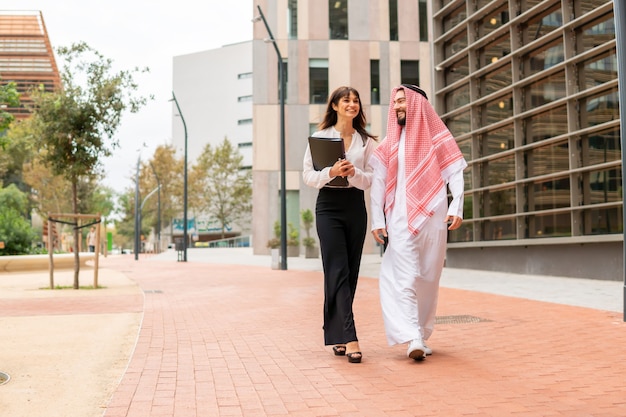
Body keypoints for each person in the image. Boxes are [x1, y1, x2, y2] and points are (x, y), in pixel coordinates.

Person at [369, 84, 467, 361]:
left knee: (427, 276)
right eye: (395, 102)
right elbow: (378, 183)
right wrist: (378, 219)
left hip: (433, 216)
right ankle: (412, 335)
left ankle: (420, 333)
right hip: (399, 218)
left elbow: (455, 171)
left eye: (403, 101)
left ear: (417, 104)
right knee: (406, 275)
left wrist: (457, 206)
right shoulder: (390, 143)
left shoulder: (438, 137)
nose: (397, 106)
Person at [303, 86, 377, 363]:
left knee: (351, 271)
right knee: (336, 270)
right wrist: (331, 172)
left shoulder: (366, 141)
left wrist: (353, 172)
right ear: (334, 105)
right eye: (346, 100)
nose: (352, 104)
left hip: (355, 207)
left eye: (356, 100)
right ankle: (350, 336)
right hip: (328, 207)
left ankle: (337, 333)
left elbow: (371, 179)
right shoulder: (320, 137)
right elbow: (307, 176)